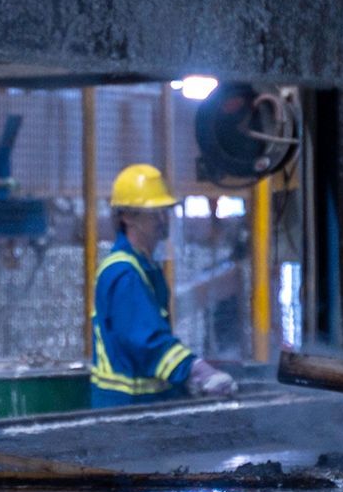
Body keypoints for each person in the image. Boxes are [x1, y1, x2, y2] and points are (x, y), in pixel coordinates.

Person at [89, 164, 237, 408]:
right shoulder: (124, 274)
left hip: (142, 407)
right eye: (153, 212)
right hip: (123, 412)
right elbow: (147, 341)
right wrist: (194, 370)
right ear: (126, 216)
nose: (162, 219)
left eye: (165, 210)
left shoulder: (146, 267)